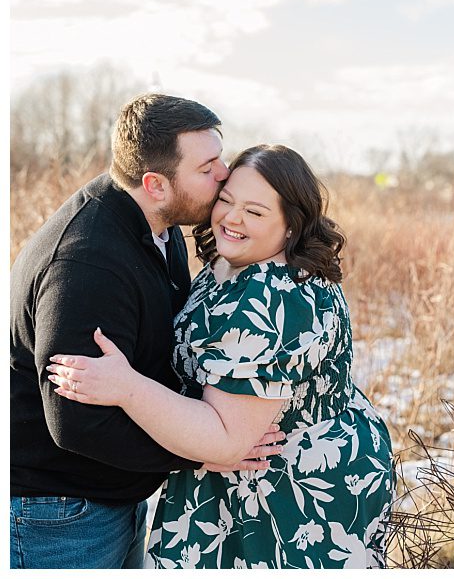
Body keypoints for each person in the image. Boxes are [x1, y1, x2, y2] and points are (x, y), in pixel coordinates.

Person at [47, 144, 395, 568]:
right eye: (226, 200)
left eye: (255, 211)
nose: (232, 218)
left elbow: (225, 440)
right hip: (245, 479)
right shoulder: (235, 262)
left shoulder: (273, 297)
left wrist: (126, 387)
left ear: (291, 225)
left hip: (286, 491)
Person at [10, 93, 282, 570]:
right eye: (207, 167)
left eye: (219, 156)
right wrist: (202, 451)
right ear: (155, 183)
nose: (223, 173)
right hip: (58, 514)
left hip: (112, 494)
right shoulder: (87, 264)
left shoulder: (156, 220)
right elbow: (75, 422)